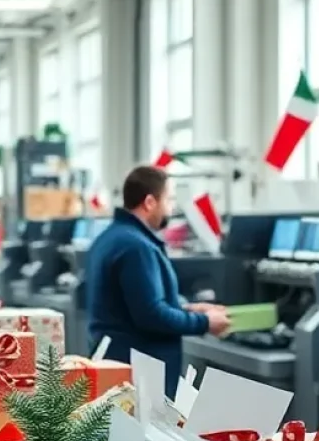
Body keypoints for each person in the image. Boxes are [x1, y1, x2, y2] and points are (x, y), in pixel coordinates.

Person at [85, 166, 231, 396]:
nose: (170, 209)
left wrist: (186, 308)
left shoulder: (112, 237)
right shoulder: (135, 247)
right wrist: (204, 322)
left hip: (119, 363)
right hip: (136, 373)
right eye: (168, 200)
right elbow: (150, 315)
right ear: (150, 202)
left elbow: (132, 303)